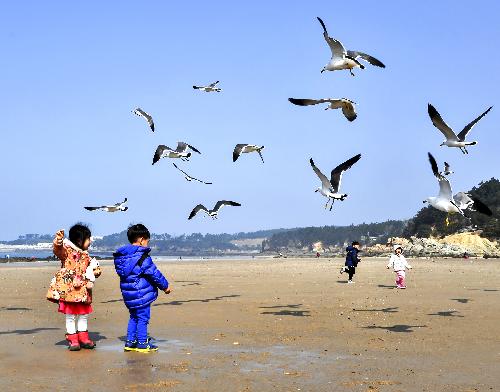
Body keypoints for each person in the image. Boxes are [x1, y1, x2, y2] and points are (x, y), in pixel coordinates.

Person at [113, 224, 171, 353]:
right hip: (141, 294)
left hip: (129, 294)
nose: (147, 244)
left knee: (134, 316)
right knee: (143, 318)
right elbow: (154, 274)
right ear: (141, 239)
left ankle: (130, 341)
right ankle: (142, 343)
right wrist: (165, 286)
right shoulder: (142, 256)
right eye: (147, 241)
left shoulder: (122, 257)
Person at [46, 224, 102, 351]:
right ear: (79, 240)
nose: (90, 241)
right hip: (69, 290)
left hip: (83, 290)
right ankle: (73, 339)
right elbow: (57, 250)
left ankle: (83, 337)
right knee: (70, 315)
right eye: (88, 238)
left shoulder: (87, 256)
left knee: (83, 315)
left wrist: (96, 271)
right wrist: (59, 241)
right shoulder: (67, 251)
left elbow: (93, 269)